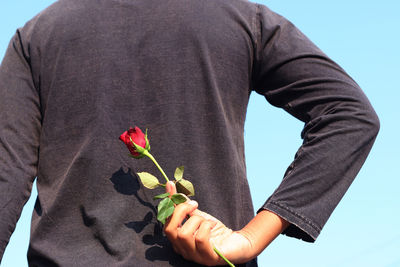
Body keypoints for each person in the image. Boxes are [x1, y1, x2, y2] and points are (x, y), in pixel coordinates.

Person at [0, 0, 379, 266]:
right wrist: (250, 238)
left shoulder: (36, 37)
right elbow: (350, 114)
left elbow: (6, 175)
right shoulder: (242, 19)